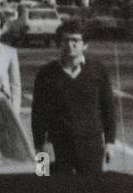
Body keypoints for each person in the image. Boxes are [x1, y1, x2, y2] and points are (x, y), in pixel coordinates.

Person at [30, 20, 118, 174]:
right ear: (59, 43)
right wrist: (40, 153)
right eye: (66, 40)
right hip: (57, 146)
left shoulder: (97, 70)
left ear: (85, 45)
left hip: (91, 146)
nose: (70, 44)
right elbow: (38, 115)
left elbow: (108, 108)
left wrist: (110, 143)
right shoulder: (46, 74)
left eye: (75, 40)